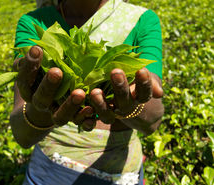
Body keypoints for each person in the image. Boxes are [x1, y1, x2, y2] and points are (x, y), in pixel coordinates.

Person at [10, 0, 164, 184]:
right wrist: (43, 107)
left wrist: (132, 104)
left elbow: (153, 120)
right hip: (49, 172)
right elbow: (22, 134)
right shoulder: (34, 23)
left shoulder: (141, 20)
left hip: (119, 174)